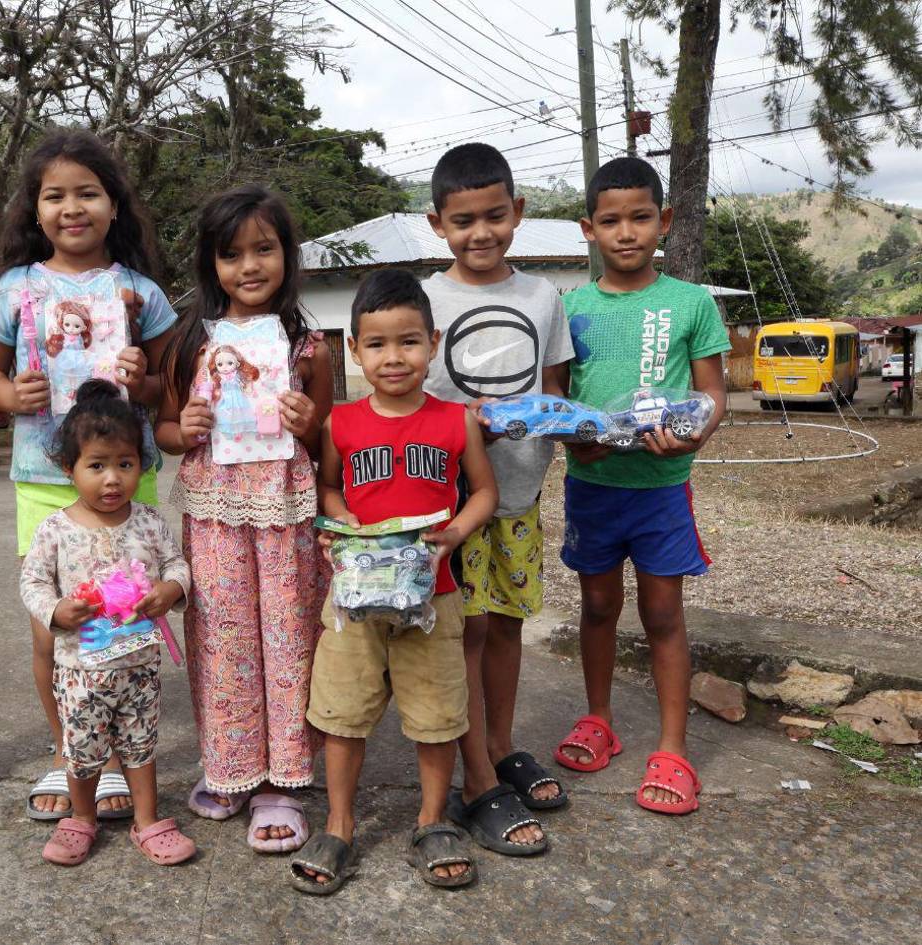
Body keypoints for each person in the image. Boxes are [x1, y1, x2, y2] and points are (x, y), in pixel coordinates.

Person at [0, 130, 177, 822]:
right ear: (35, 210)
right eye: (54, 195)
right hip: (44, 478)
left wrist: (144, 379)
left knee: (121, 621)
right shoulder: (15, 288)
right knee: (54, 624)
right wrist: (7, 396)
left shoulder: (139, 293)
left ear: (114, 205)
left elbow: (166, 393)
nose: (71, 207)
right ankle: (74, 753)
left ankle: (122, 756)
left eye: (87, 192)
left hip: (125, 478)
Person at [290, 268, 498, 894]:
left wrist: (455, 535)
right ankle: (340, 825)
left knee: (438, 714)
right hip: (354, 602)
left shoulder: (455, 422)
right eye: (376, 344)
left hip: (433, 597)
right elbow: (328, 484)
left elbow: (484, 491)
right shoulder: (341, 425)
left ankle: (432, 820)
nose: (394, 357)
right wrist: (341, 516)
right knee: (342, 712)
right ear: (353, 349)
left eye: (408, 341)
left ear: (433, 342)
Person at [155, 185, 333, 853]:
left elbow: (324, 440)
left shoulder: (307, 346)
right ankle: (230, 767)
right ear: (211, 263)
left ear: (288, 256)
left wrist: (311, 424)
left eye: (264, 249)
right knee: (223, 637)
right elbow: (167, 425)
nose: (249, 266)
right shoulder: (188, 340)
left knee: (287, 639)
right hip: (216, 511)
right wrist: (185, 428)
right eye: (231, 254)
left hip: (285, 510)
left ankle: (282, 780)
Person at [553, 156, 730, 815]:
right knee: (598, 606)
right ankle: (598, 718)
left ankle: (674, 748)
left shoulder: (690, 303)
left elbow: (715, 394)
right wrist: (576, 434)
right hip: (592, 484)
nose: (626, 232)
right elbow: (556, 399)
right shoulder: (570, 308)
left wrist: (693, 434)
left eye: (640, 217)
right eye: (610, 220)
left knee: (662, 613)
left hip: (661, 487)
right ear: (588, 229)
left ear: (666, 221)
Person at [421, 142, 573, 855]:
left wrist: (556, 419)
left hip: (517, 493)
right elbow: (406, 393)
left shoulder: (542, 297)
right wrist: (463, 422)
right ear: (436, 224)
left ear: (518, 211)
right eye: (462, 220)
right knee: (467, 630)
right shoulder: (426, 297)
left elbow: (555, 391)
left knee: (508, 624)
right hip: (453, 501)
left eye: (493, 215)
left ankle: (503, 743)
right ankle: (476, 772)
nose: (480, 233)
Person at [21, 380, 195, 866]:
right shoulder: (55, 529)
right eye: (96, 466)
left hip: (140, 665)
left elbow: (177, 563)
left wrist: (171, 590)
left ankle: (147, 820)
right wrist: (55, 611)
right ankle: (81, 819)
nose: (113, 479)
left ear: (141, 464)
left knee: (141, 744)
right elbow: (32, 582)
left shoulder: (148, 522)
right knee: (82, 750)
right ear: (68, 468)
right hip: (79, 670)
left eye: (125, 464)